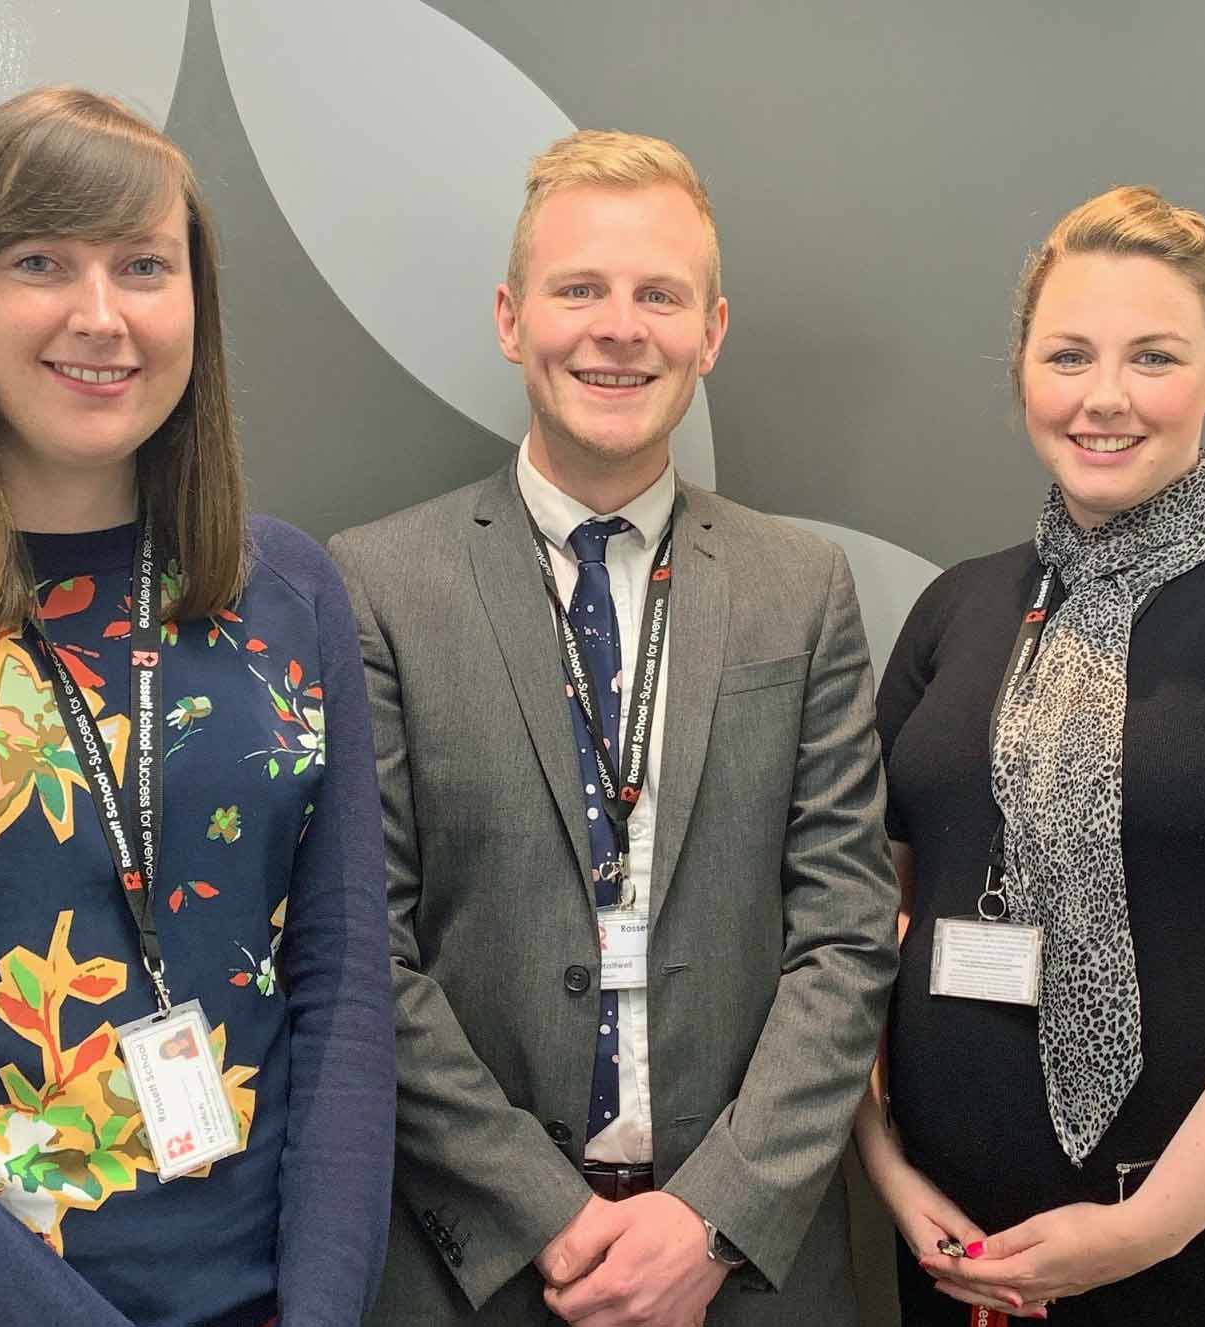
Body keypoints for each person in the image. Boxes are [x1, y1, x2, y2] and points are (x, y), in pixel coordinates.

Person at [0, 88, 394, 1327]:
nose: (102, 315)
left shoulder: (285, 593)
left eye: (144, 265)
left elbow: (341, 986)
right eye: (41, 262)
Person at [328, 129, 898, 1327]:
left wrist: (711, 1219)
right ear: (507, 315)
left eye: (658, 295)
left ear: (711, 331)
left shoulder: (801, 587)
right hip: (467, 1267)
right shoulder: (374, 584)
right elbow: (363, 952)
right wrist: (549, 1215)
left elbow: (845, 936)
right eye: (578, 288)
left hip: (746, 1269)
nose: (617, 326)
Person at [855, 185, 1205, 1323]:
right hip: (953, 1258)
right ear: (1020, 370)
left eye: (1151, 357)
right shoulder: (955, 610)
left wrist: (1142, 1231)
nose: (1102, 398)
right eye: (1067, 355)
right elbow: (859, 930)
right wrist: (888, 1170)